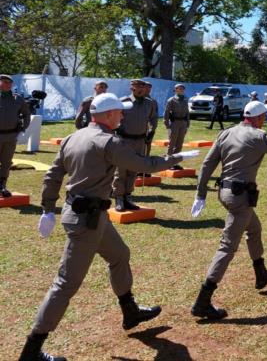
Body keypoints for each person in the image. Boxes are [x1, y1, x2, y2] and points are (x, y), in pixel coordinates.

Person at [20, 93, 189, 361]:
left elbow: (53, 174)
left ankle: (129, 310)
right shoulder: (109, 142)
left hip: (87, 216)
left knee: (119, 255)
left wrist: (47, 208)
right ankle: (31, 350)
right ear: (109, 115)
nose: (123, 115)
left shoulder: (74, 136)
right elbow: (143, 164)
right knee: (65, 284)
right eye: (119, 112)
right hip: (88, 221)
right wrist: (175, 157)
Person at [189, 101, 267, 320]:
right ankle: (203, 300)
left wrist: (201, 193)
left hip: (226, 193)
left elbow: (207, 164)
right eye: (264, 116)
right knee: (227, 247)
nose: (265, 119)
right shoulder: (258, 136)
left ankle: (261, 272)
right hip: (241, 198)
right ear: (258, 118)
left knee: (254, 229)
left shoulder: (226, 133)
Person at [112, 79, 158, 212]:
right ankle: (119, 197)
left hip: (140, 141)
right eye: (138, 86)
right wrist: (117, 128)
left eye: (143, 87)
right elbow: (114, 117)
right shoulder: (124, 101)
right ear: (132, 88)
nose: (141, 89)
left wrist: (152, 130)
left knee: (134, 169)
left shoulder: (149, 103)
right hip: (124, 140)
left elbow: (153, 118)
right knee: (121, 170)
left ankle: (128, 196)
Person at [0, 74, 31, 197]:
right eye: (4, 82)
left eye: (9, 83)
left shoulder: (17, 99)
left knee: (6, 163)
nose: (7, 84)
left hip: (10, 136)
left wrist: (23, 127)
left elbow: (26, 114)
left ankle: (2, 186)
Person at [164, 83, 190, 168]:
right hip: (174, 122)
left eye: (182, 88)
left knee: (180, 143)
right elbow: (166, 113)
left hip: (183, 122)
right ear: (175, 90)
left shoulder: (186, 100)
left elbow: (187, 113)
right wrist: (167, 126)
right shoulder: (171, 100)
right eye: (179, 88)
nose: (181, 90)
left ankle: (175, 162)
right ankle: (168, 161)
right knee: (172, 142)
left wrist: (187, 124)